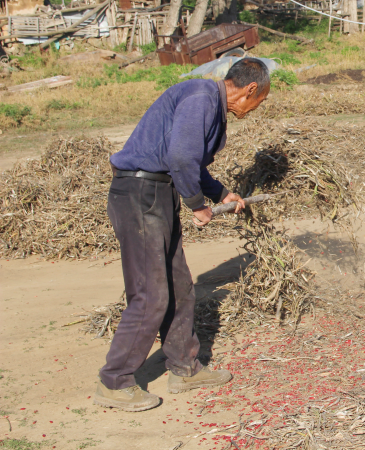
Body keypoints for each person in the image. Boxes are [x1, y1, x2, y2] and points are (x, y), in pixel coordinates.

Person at [93, 58, 270, 412]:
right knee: (151, 295)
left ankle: (185, 368)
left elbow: (192, 164)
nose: (255, 109)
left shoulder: (207, 100)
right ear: (249, 90)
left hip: (156, 195)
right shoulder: (202, 96)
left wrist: (221, 194)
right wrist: (196, 204)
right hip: (139, 195)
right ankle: (114, 381)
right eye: (259, 102)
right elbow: (180, 156)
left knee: (180, 288)